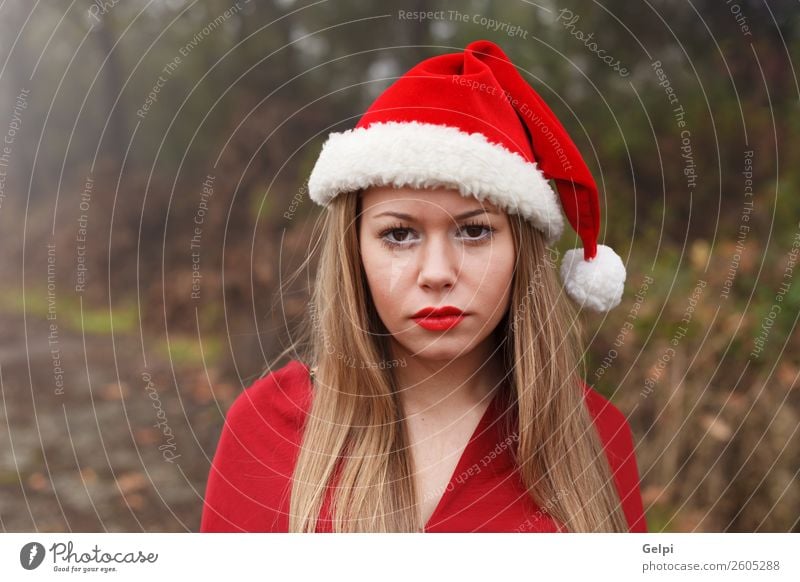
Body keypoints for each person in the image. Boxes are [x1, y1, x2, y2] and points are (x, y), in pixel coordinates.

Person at [200, 39, 645, 533]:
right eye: (399, 234)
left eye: (474, 231)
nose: (436, 272)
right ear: (355, 252)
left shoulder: (596, 436)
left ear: (522, 250)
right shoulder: (264, 430)